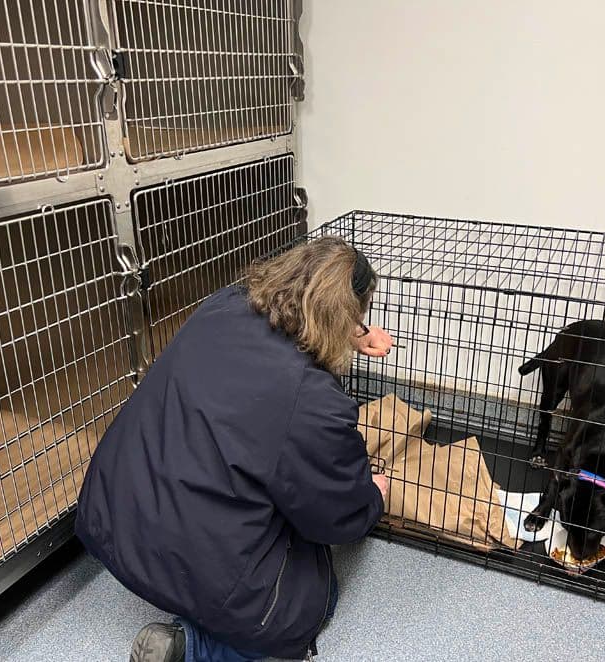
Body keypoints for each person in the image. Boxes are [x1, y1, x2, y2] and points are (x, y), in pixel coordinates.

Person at [75, 237, 394, 662]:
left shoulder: (222, 305)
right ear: (343, 314)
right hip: (202, 558)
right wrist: (371, 497)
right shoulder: (315, 401)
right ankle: (195, 647)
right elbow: (335, 520)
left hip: (117, 521)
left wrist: (351, 332)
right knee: (312, 600)